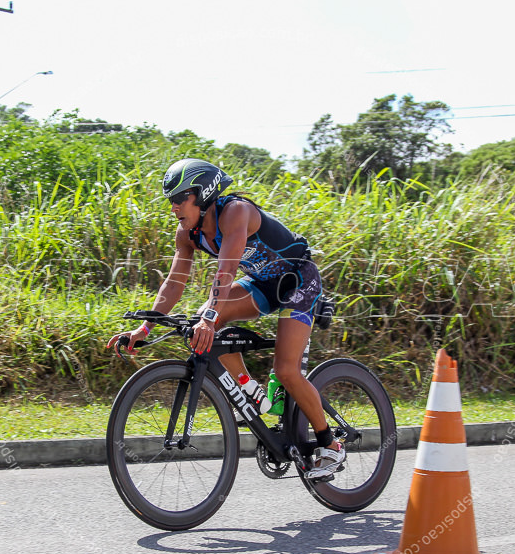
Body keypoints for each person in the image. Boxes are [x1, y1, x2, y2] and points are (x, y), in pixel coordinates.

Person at [106, 158, 344, 480]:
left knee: (286, 370)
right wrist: (145, 326)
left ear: (202, 194)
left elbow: (226, 269)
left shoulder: (236, 212)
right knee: (200, 325)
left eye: (180, 199)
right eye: (170, 201)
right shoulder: (187, 233)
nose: (174, 207)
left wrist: (211, 315)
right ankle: (252, 391)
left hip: (297, 282)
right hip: (261, 285)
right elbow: (175, 281)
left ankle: (330, 444)